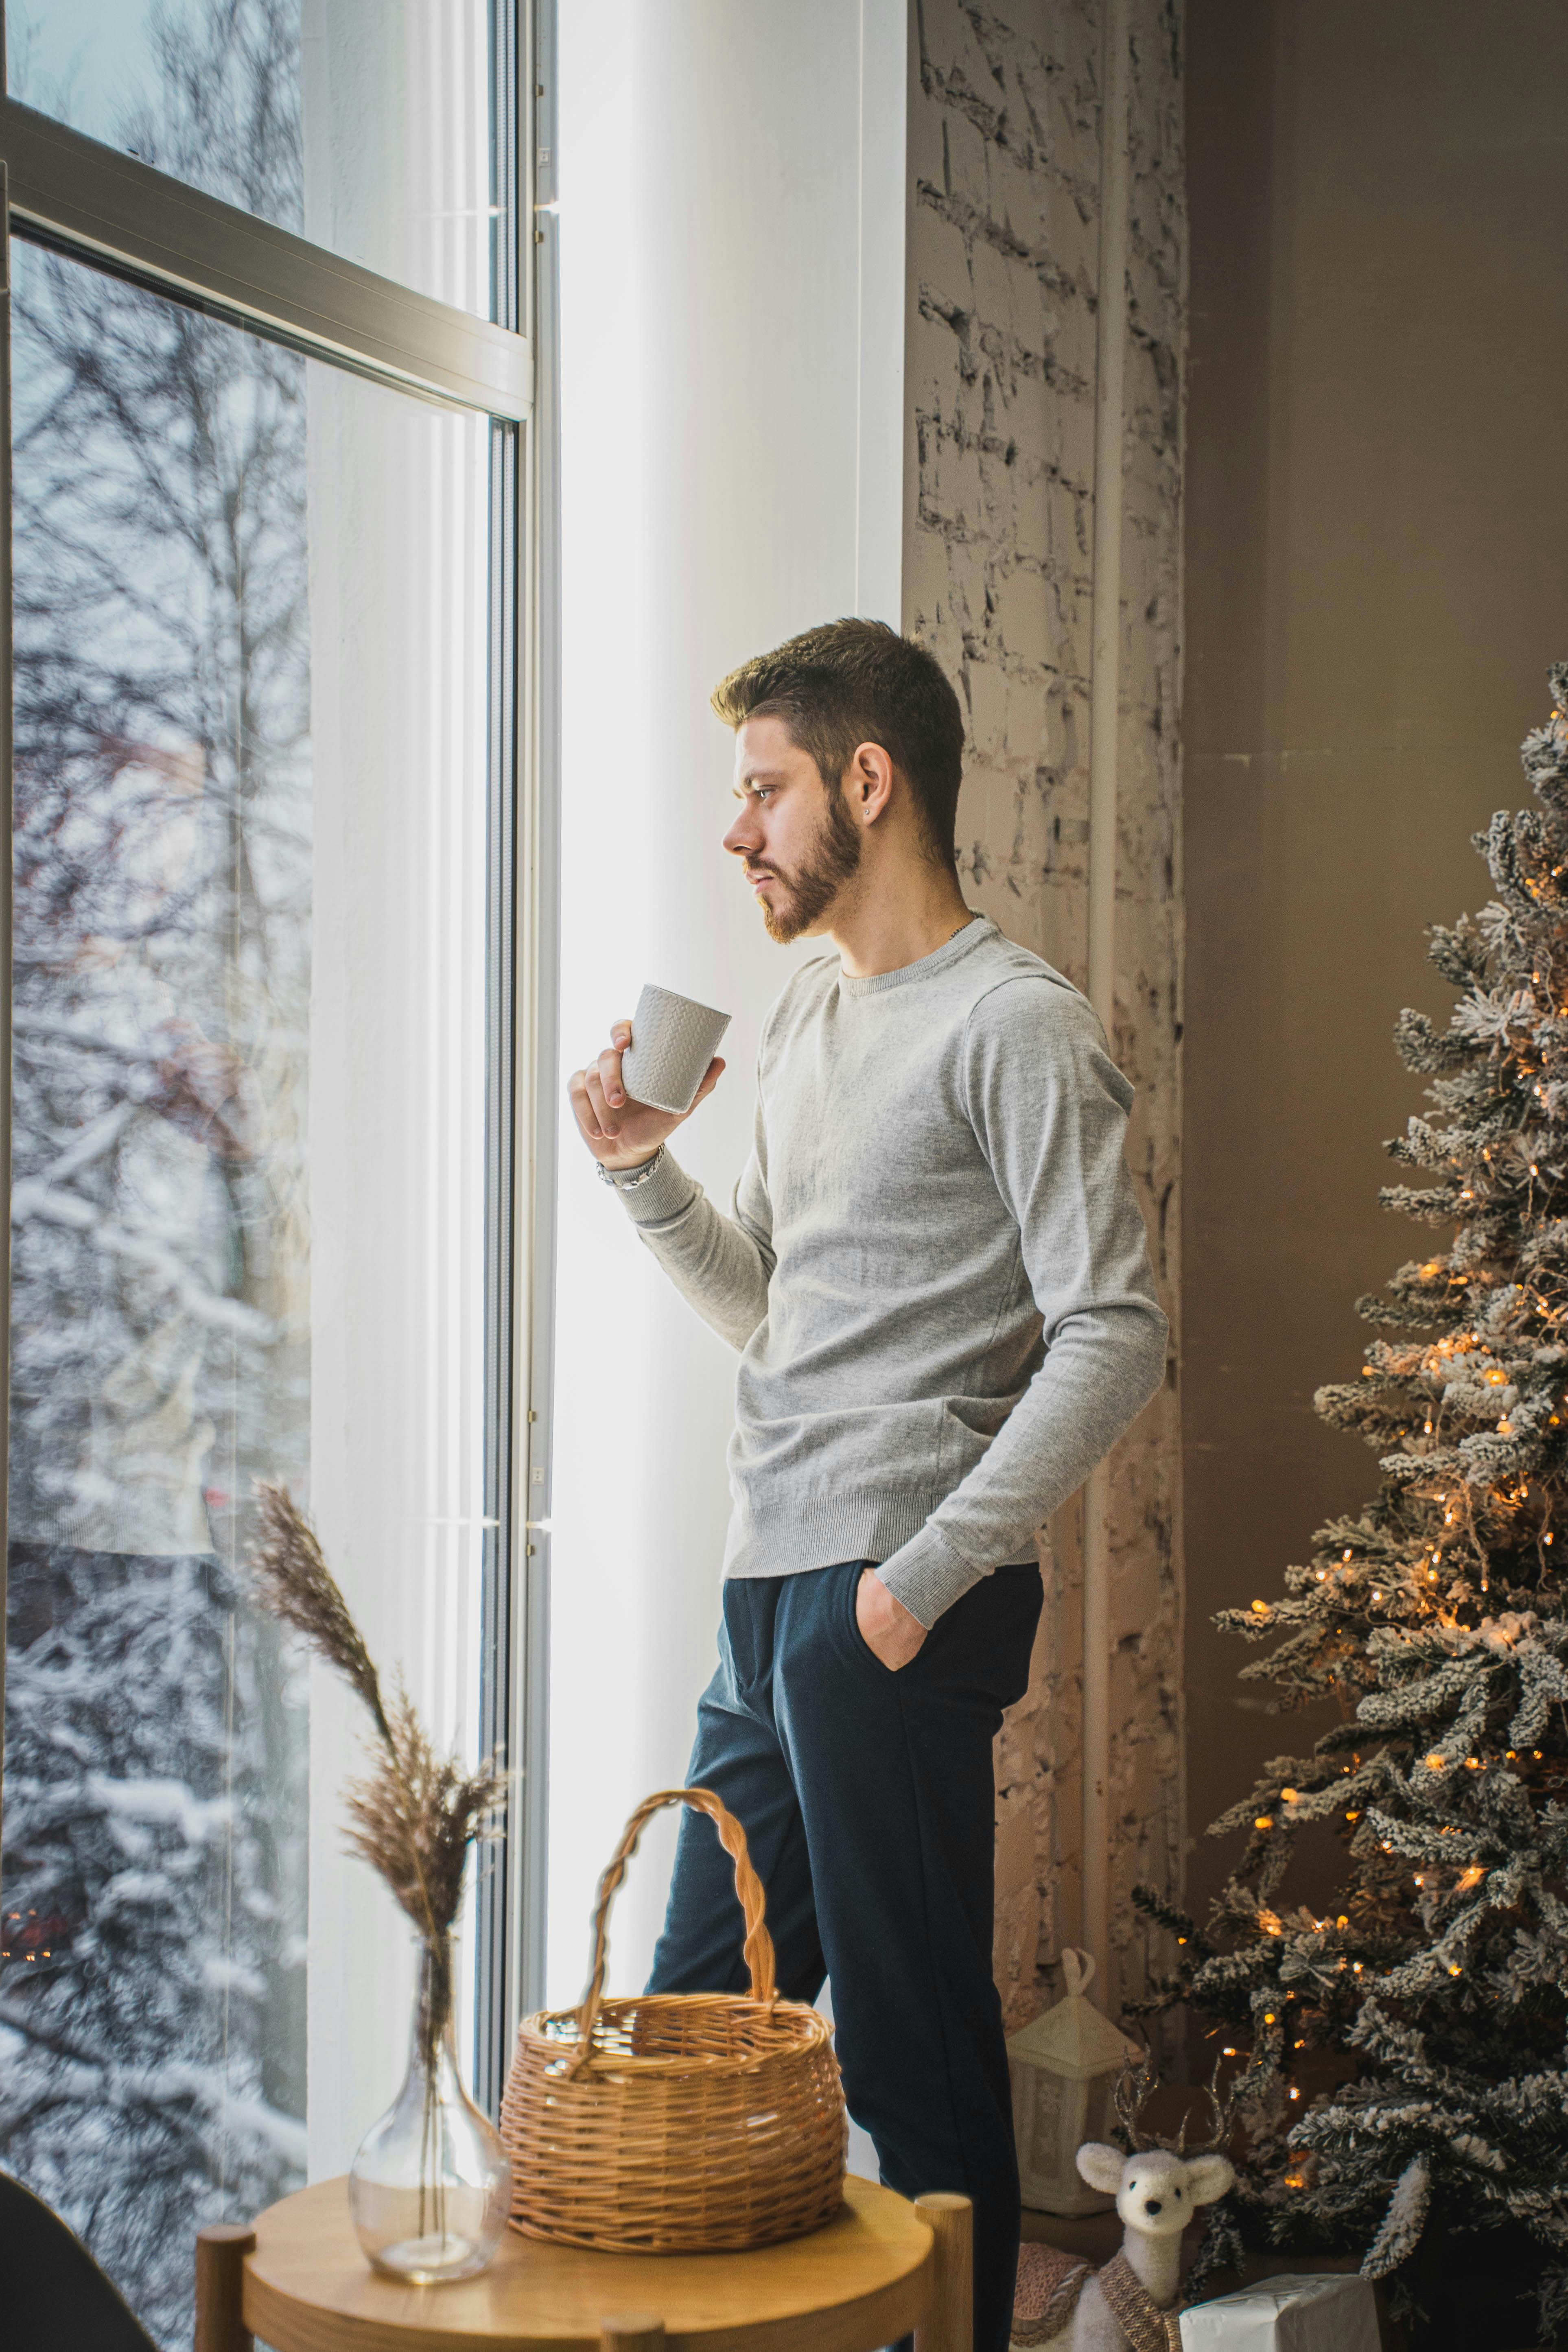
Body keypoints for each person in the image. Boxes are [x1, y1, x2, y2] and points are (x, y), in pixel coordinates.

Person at [568, 618, 1168, 2352]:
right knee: (693, 2026)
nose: (738, 830)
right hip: (771, 1595)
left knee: (912, 2058)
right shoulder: (813, 1008)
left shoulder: (1014, 1026)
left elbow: (1114, 1330)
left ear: (866, 781)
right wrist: (640, 1177)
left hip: (891, 1599)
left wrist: (915, 1582)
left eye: (763, 789)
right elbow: (780, 1307)